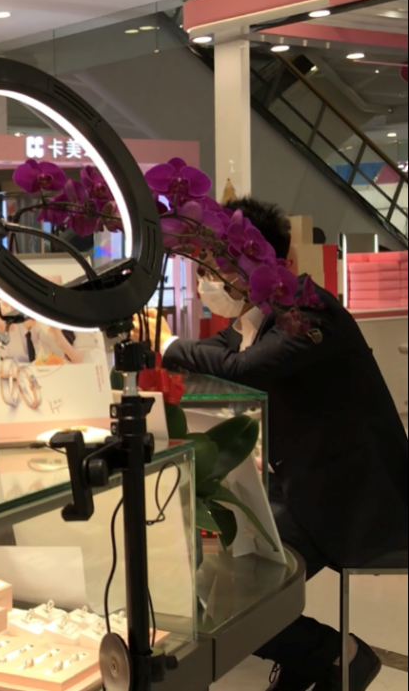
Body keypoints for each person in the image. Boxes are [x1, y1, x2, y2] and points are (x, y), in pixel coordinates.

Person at [151, 198, 407, 691]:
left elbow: (245, 369)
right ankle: (320, 660)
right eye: (204, 267)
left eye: (218, 267)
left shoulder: (309, 310)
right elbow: (215, 356)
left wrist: (167, 345)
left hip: (345, 496)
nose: (209, 281)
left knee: (230, 601)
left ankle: (338, 656)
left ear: (263, 260)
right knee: (210, 581)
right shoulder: (253, 323)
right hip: (290, 487)